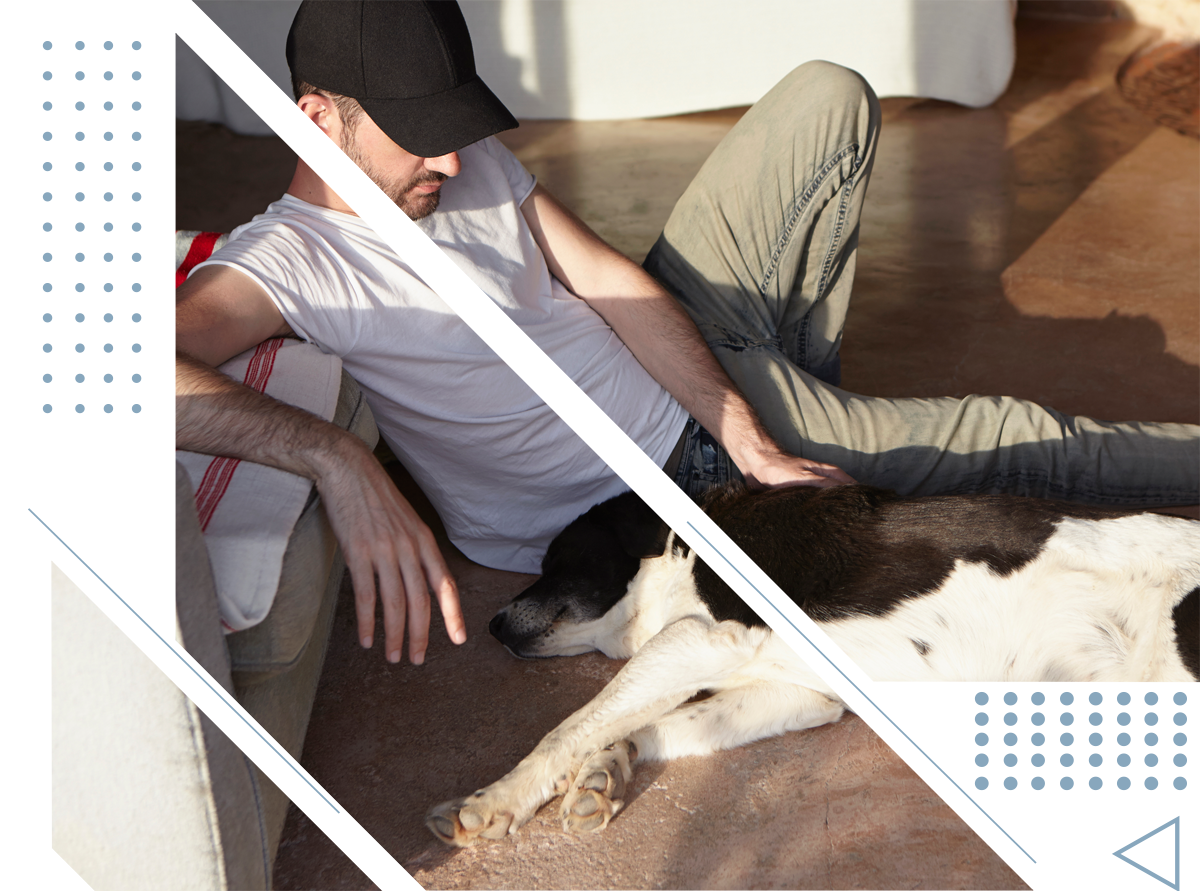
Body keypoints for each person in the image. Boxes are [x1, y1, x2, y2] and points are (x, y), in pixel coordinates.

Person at [176, 0, 1200, 669]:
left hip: (695, 374)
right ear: (318, 117)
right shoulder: (287, 263)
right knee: (1016, 431)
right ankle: (829, 425)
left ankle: (799, 411)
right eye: (416, 128)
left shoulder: (465, 165)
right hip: (664, 473)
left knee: (826, 95)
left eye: (455, 119)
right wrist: (337, 456)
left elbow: (612, 280)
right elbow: (126, 373)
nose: (449, 153)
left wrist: (745, 420)